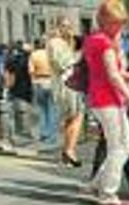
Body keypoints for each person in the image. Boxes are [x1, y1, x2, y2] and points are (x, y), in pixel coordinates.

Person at [83, 0, 129, 205]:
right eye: (115, 23)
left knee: (127, 145)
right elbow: (114, 76)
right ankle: (107, 192)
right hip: (107, 100)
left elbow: (116, 74)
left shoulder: (97, 40)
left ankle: (96, 185)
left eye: (122, 23)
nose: (119, 27)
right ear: (103, 21)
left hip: (107, 99)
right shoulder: (103, 42)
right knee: (119, 148)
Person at [91, 47, 129, 196]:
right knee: (122, 145)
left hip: (115, 104)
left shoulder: (110, 54)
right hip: (113, 105)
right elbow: (116, 78)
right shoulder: (107, 55)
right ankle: (108, 188)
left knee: (117, 144)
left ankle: (100, 182)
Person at [48, 17, 85, 167]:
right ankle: (70, 150)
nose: (67, 29)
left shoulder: (62, 42)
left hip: (67, 83)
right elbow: (64, 64)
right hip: (68, 84)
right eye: (64, 26)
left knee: (70, 118)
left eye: (69, 26)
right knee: (77, 116)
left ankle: (66, 152)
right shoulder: (56, 42)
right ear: (57, 27)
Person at [3, 42, 34, 144]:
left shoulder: (9, 61)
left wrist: (7, 87)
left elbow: (9, 77)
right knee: (25, 113)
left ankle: (17, 136)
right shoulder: (27, 59)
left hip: (15, 90)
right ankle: (26, 134)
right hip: (26, 89)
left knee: (15, 113)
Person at [29, 38, 56, 145]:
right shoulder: (50, 54)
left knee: (42, 109)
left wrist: (33, 83)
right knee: (51, 108)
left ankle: (44, 133)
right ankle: (51, 135)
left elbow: (31, 71)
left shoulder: (34, 55)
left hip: (39, 81)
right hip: (50, 81)